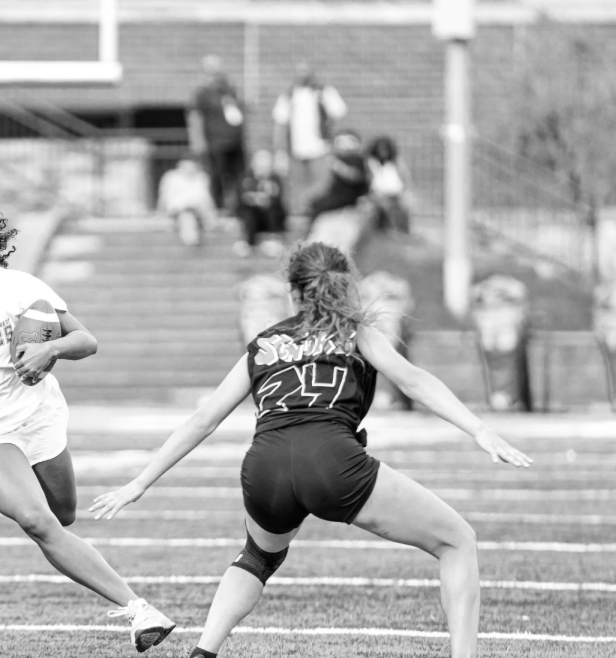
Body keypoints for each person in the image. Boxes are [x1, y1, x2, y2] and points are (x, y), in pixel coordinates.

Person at [91, 242, 533, 658]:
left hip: (263, 467)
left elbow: (203, 420)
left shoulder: (264, 343)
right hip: (330, 461)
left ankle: (204, 650)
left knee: (257, 557)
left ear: (292, 291)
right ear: (346, 286)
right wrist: (479, 430)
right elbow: (414, 380)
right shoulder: (355, 332)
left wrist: (139, 483)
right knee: (458, 542)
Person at [0, 199, 176, 653]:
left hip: (36, 417)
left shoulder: (17, 287)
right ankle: (138, 610)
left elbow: (86, 341)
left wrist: (50, 351)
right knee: (38, 521)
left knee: (63, 514)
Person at [272, 63, 348, 214]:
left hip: (320, 147)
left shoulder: (324, 92)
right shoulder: (289, 94)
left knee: (321, 184)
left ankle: (319, 213)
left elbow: (338, 114)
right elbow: (280, 124)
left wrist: (332, 141)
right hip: (295, 149)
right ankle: (300, 217)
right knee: (297, 187)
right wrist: (279, 150)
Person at [188, 55, 246, 216]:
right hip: (215, 142)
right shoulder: (202, 93)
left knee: (238, 176)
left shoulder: (229, 90)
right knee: (217, 177)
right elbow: (195, 118)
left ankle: (237, 207)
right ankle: (218, 208)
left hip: (235, 142)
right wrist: (198, 141)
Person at [235, 149, 288, 257]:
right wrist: (259, 199)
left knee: (274, 210)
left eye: (266, 165)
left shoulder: (275, 179)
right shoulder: (245, 178)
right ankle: (248, 243)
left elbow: (275, 198)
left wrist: (259, 198)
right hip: (253, 216)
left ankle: (274, 240)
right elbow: (243, 197)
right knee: (248, 213)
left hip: (269, 216)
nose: (263, 168)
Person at [157, 156, 218, 246]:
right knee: (187, 216)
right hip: (180, 209)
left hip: (199, 209)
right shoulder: (171, 178)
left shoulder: (201, 177)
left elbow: (206, 198)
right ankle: (191, 239)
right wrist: (160, 213)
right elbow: (164, 197)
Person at [366, 135, 413, 234]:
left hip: (396, 196)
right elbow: (370, 183)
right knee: (384, 208)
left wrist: (405, 194)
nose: (383, 152)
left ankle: (402, 232)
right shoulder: (371, 163)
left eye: (385, 149)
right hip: (378, 196)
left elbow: (405, 179)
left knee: (403, 209)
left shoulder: (397, 163)